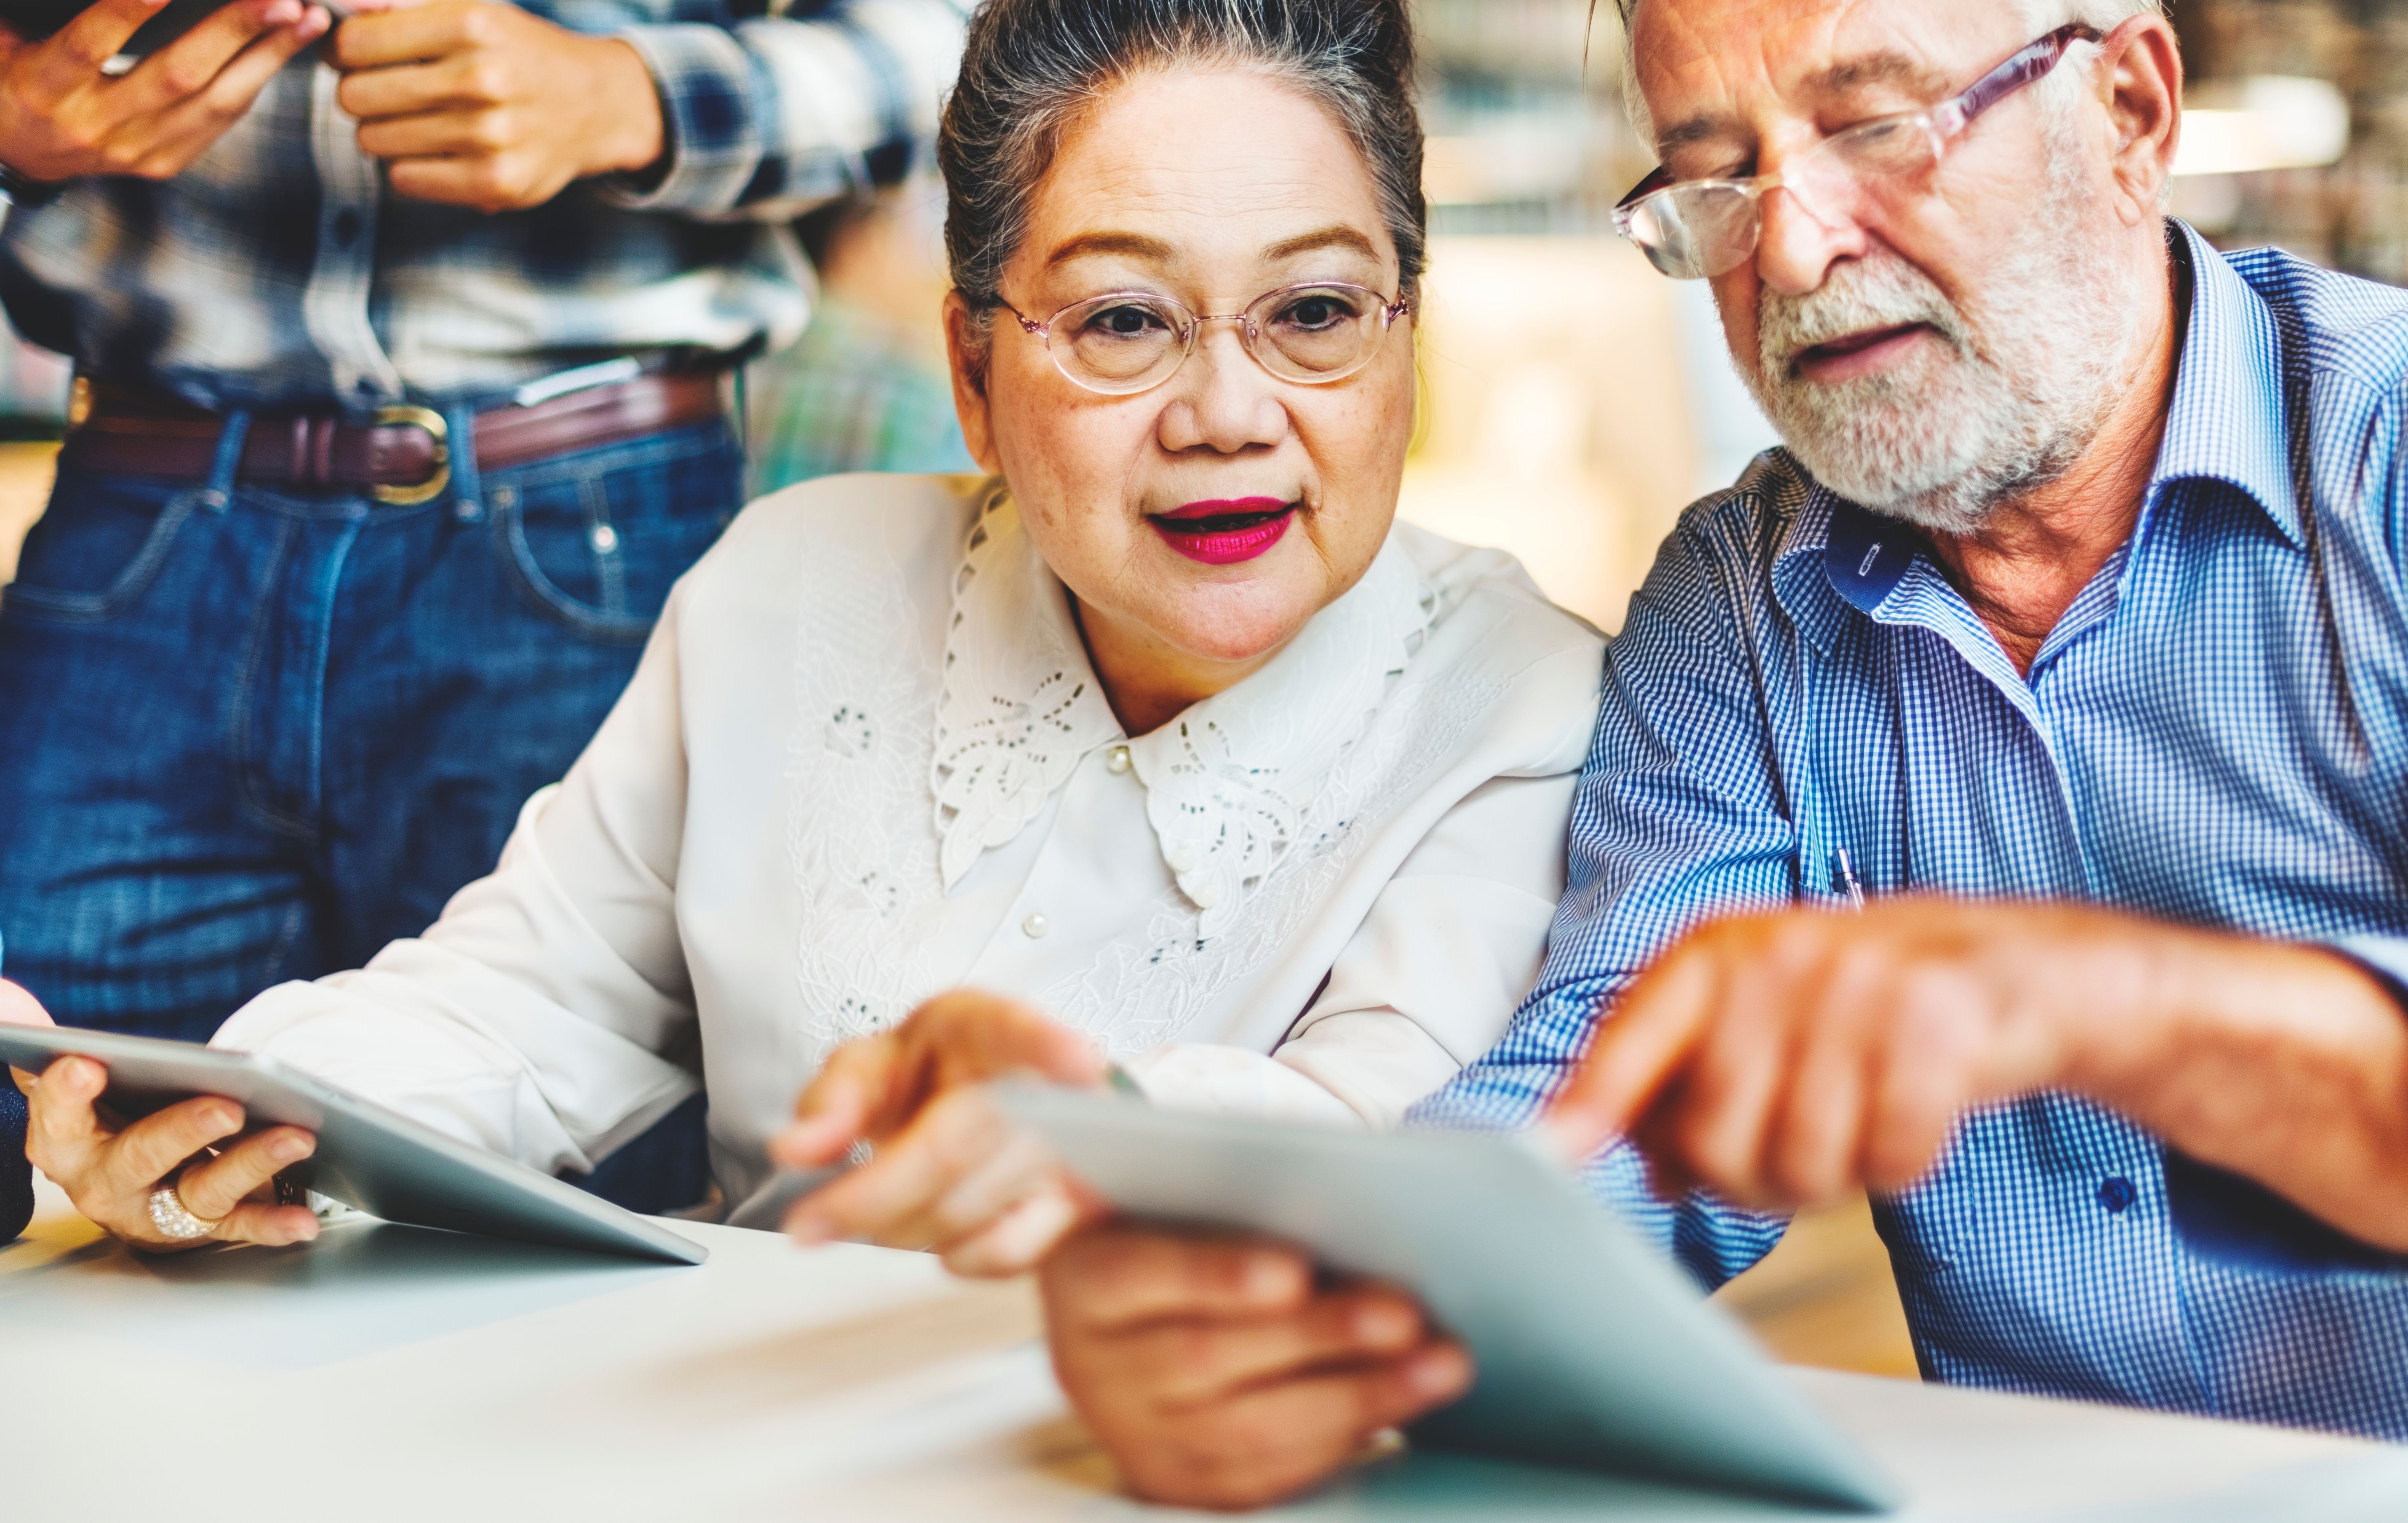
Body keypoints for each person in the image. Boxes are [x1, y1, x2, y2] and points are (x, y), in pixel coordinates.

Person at [1026, 0, 2408, 1506]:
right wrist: (1311, 1315)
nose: (1794, 251)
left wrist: (2091, 999)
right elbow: (1602, 1118)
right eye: (1716, 175)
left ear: (2132, 110)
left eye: (1878, 127)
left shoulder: (2382, 461)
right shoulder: (1743, 601)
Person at [10, 0, 1606, 1267]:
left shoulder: (1529, 704)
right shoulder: (794, 577)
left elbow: (1373, 1145)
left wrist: (1070, 1121)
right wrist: (236, 1118)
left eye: (1315, 314)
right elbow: (531, 993)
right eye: (1122, 320)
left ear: (1409, 328)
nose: (1228, 416)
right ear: (970, 374)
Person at [0, 0, 971, 1089]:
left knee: (563, 1189)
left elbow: (964, 51)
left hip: (588, 534)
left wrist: (626, 98)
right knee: (52, 1145)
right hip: (132, 529)